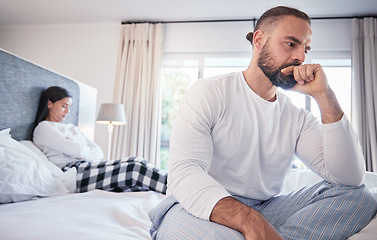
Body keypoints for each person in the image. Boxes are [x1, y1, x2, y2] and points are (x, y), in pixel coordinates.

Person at [149, 6, 377, 240]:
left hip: (265, 208)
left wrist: (324, 95)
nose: (301, 57)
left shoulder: (296, 116)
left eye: (305, 48)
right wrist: (248, 220)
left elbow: (349, 179)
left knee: (359, 197)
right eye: (291, 43)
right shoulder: (209, 92)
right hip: (196, 206)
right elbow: (185, 172)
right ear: (259, 40)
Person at [33, 86, 167, 194]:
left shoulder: (71, 128)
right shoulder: (43, 128)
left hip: (88, 165)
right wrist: (80, 149)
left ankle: (175, 184)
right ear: (49, 103)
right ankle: (176, 190)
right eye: (64, 106)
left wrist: (77, 148)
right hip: (74, 173)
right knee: (134, 169)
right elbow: (78, 149)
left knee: (136, 161)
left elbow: (98, 152)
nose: (68, 111)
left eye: (69, 107)